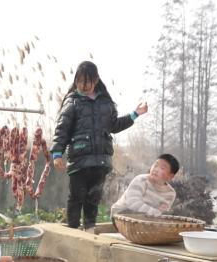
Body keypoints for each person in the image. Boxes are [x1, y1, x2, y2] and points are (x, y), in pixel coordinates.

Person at [51, 61, 148, 233]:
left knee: (93, 198)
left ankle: (90, 229)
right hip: (79, 160)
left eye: (87, 81)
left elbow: (115, 126)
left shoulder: (106, 103)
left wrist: (135, 114)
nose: (82, 85)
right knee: (76, 198)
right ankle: (72, 230)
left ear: (95, 80)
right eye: (79, 81)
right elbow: (62, 130)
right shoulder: (72, 102)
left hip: (101, 161)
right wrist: (57, 154)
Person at [111, 154, 179, 217]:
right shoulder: (141, 180)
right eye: (155, 165)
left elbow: (162, 213)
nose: (156, 169)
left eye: (162, 168)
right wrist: (155, 212)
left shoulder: (170, 193)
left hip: (144, 218)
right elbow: (132, 203)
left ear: (170, 176)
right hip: (120, 214)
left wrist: (161, 211)